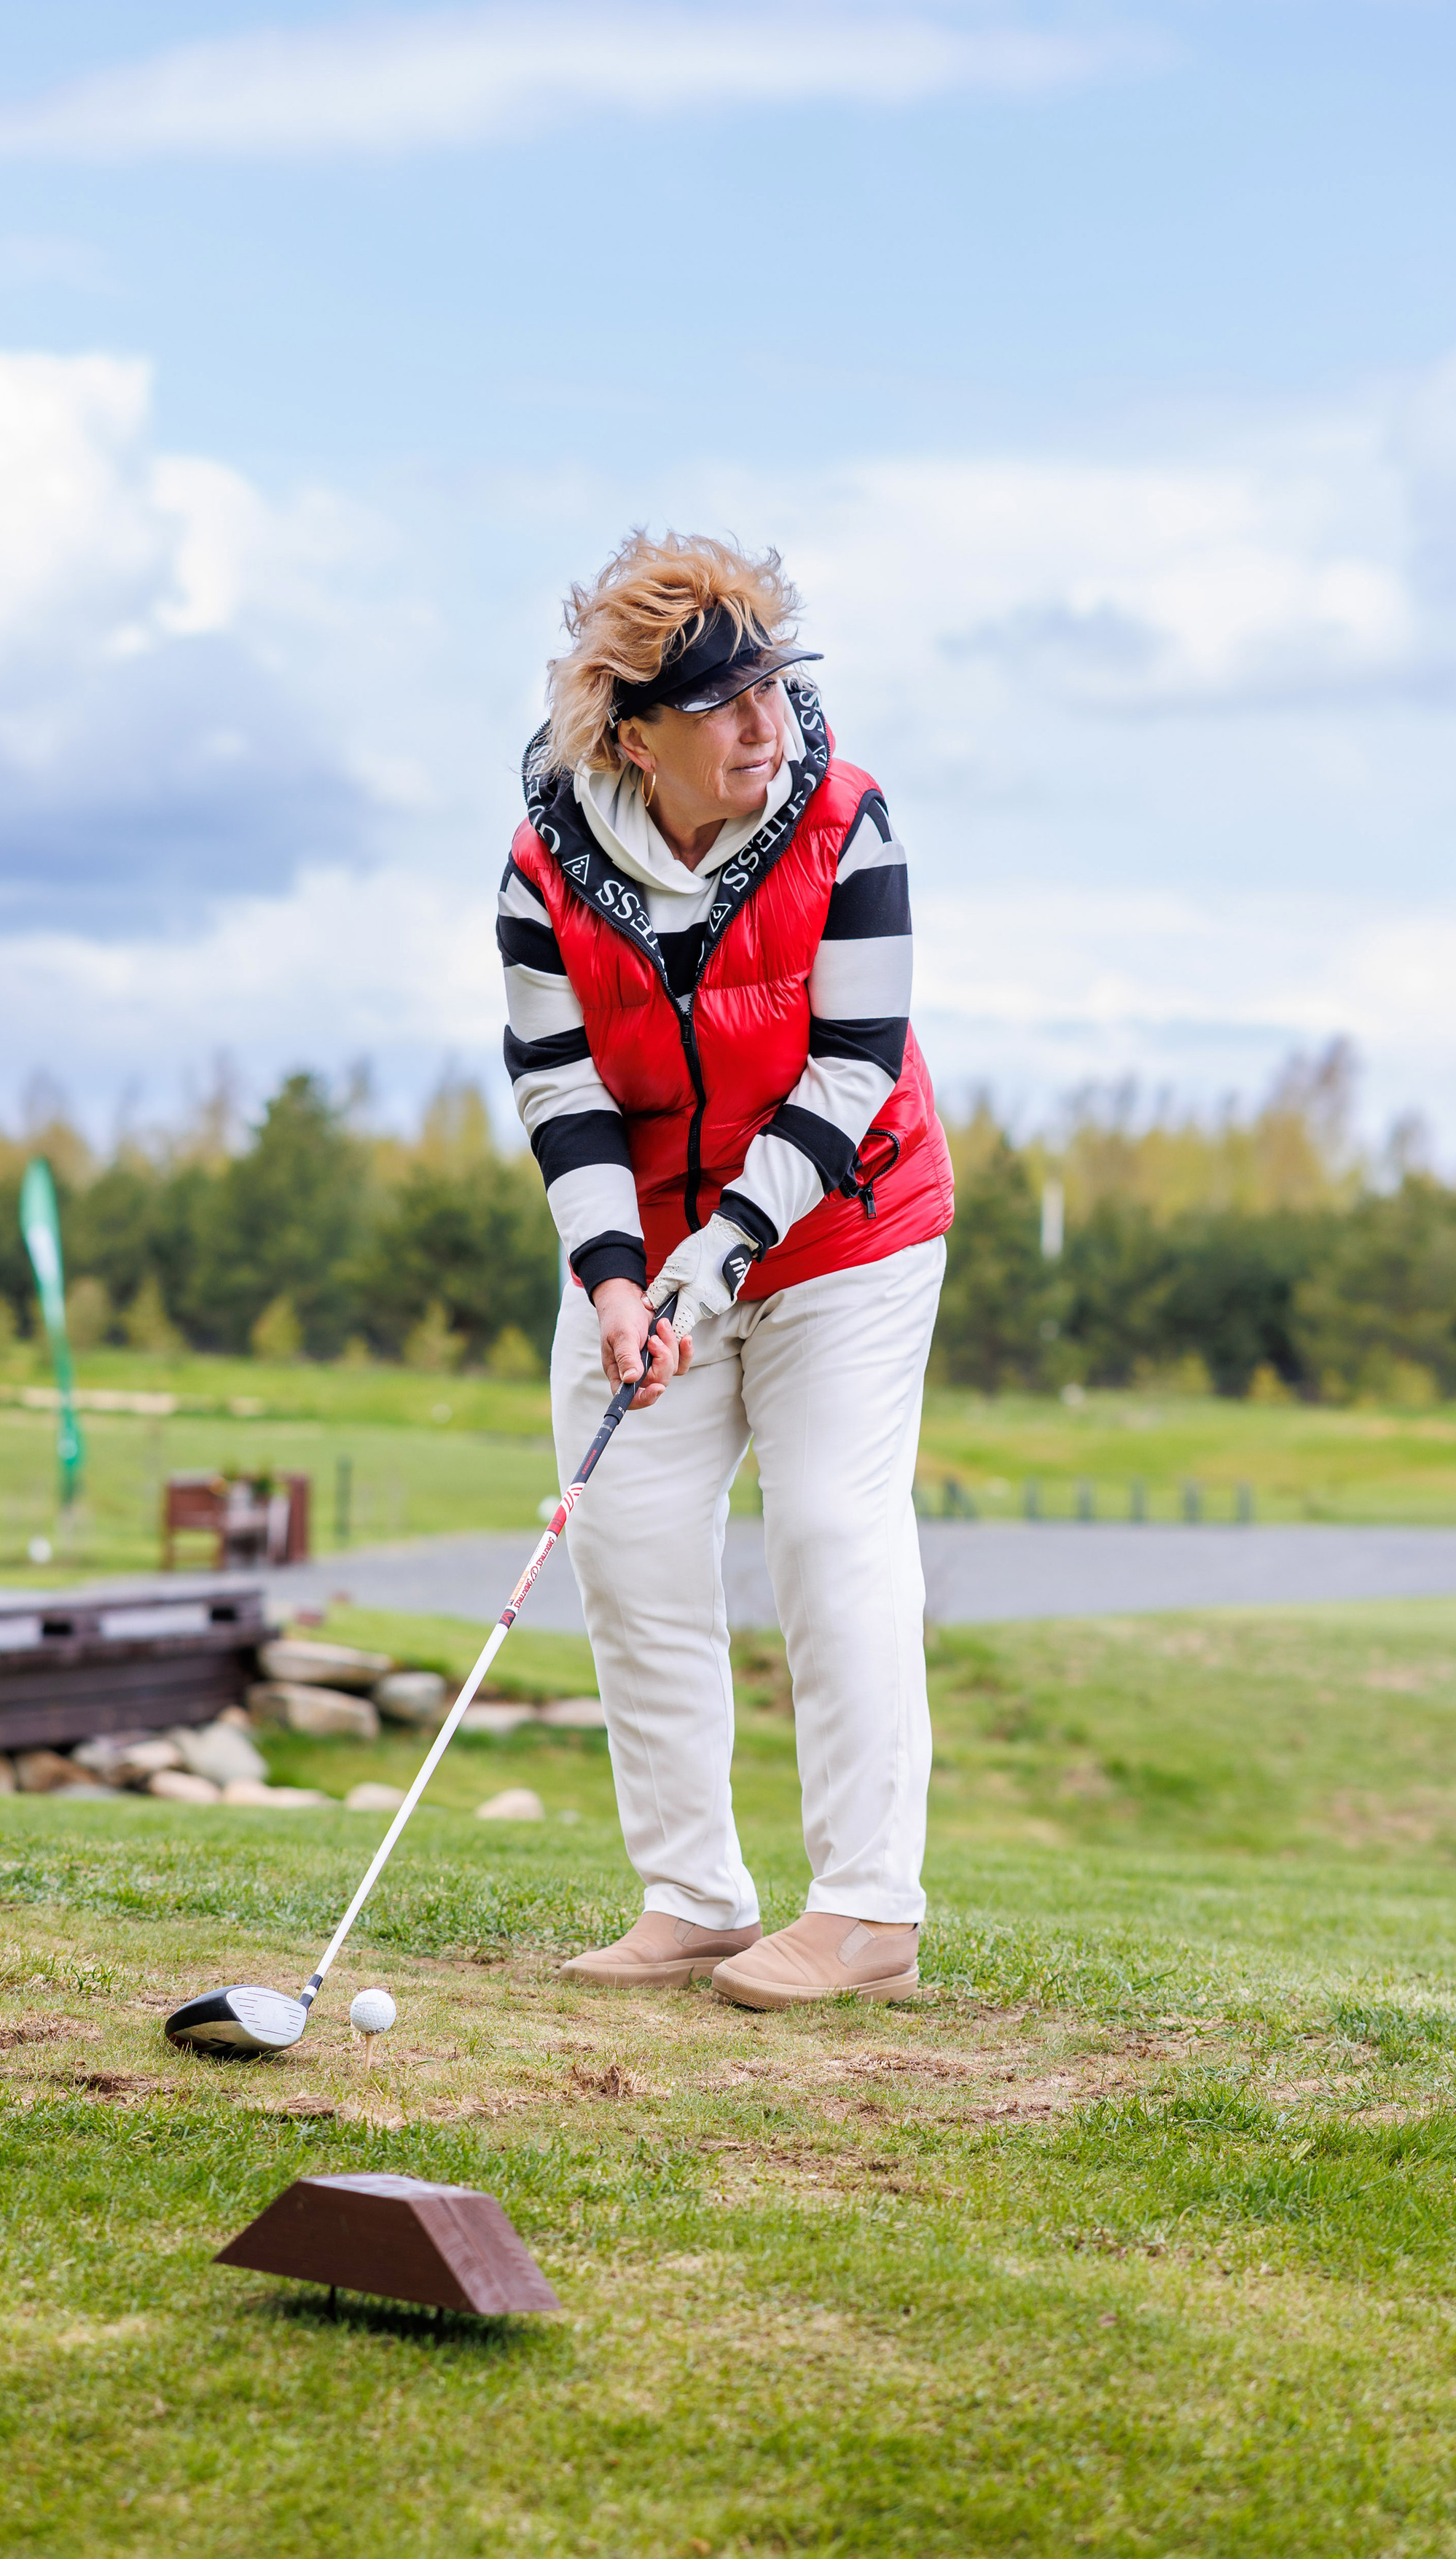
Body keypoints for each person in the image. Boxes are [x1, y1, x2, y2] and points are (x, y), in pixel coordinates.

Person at [498, 531, 954, 2009]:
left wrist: (720, 1255)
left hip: (845, 1228)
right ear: (633, 735)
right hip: (647, 1248)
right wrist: (620, 1281)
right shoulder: (540, 869)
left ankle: (867, 1913)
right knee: (625, 1537)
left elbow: (849, 1068)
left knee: (828, 1529)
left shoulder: (844, 819)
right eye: (718, 702)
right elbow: (561, 1091)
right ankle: (693, 1894)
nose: (761, 723)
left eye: (770, 683)